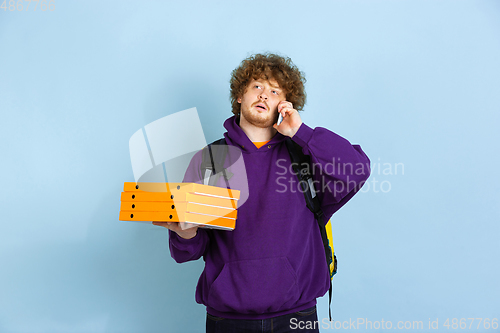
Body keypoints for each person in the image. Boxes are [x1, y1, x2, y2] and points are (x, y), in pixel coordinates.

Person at [153, 53, 371, 333]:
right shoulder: (211, 159)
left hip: (297, 315)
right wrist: (184, 233)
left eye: (274, 90)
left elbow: (356, 169)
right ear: (239, 97)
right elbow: (187, 251)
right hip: (229, 319)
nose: (264, 95)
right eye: (257, 86)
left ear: (285, 104)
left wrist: (301, 132)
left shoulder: (304, 155)